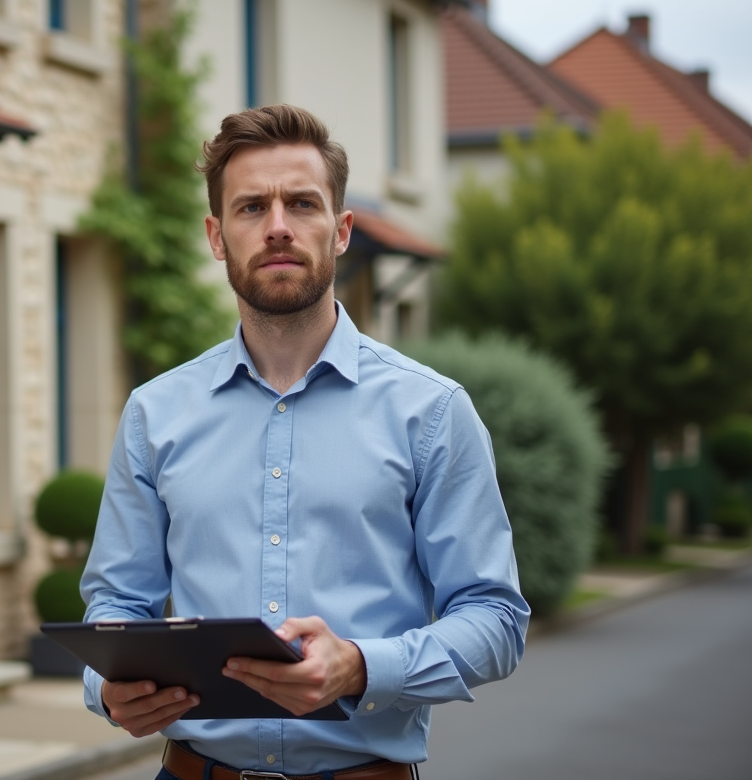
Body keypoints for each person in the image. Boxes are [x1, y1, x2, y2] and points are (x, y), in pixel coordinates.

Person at [80, 104, 529, 779]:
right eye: (251, 207)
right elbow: (116, 606)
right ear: (216, 234)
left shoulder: (431, 412)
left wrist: (360, 667)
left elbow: (495, 618)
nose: (279, 227)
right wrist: (108, 692)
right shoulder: (155, 414)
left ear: (341, 229)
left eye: (302, 204)